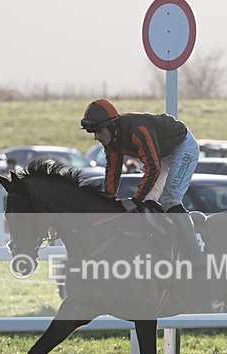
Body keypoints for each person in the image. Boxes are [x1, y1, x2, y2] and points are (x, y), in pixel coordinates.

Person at [80, 99, 203, 266]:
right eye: (92, 133)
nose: (96, 137)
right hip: (162, 154)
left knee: (169, 200)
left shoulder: (138, 130)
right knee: (149, 203)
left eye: (98, 131)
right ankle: (159, 250)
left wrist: (135, 200)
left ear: (111, 126)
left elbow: (153, 168)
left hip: (182, 147)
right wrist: (107, 200)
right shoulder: (112, 141)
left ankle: (194, 253)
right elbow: (113, 171)